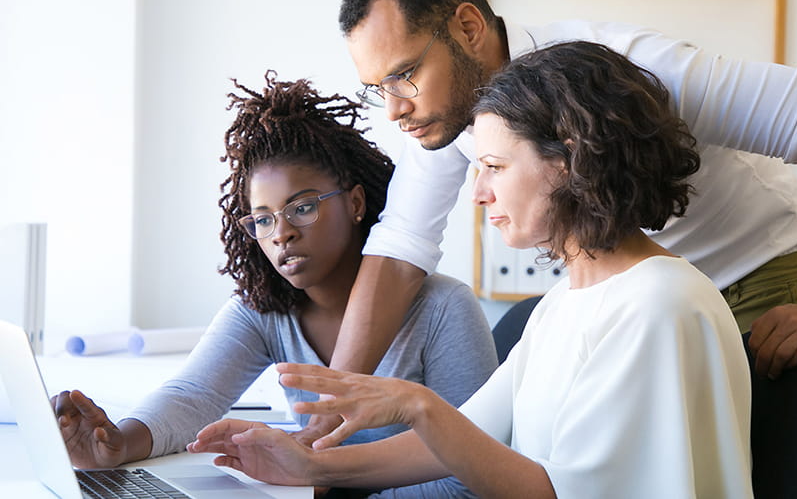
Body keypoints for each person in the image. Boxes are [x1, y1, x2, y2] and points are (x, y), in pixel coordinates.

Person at [188, 41, 754, 498]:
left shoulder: (658, 303)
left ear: (571, 159)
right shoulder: (566, 302)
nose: (479, 192)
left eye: (494, 166)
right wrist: (308, 465)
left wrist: (416, 403)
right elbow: (465, 440)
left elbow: (549, 492)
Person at [307, 0, 797, 437]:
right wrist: (325, 419)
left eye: (404, 74)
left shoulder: (631, 68)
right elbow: (400, 248)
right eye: (378, 89)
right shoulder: (446, 113)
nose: (394, 108)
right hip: (641, 309)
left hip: (762, 281)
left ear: (469, 27)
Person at [51, 72, 498, 497]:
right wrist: (117, 443)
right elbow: (194, 396)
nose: (280, 233)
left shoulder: (443, 309)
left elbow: (474, 476)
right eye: (262, 219)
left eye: (302, 208)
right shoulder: (264, 310)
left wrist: (321, 488)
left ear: (357, 202)